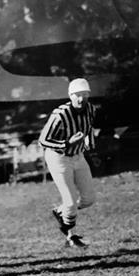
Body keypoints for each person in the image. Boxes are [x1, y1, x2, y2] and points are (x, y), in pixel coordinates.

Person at [38, 78, 96, 248]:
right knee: (70, 202)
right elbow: (43, 140)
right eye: (77, 95)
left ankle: (60, 211)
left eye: (85, 95)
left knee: (89, 199)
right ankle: (70, 237)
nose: (81, 99)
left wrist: (90, 143)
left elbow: (89, 128)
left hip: (78, 156)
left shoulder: (91, 109)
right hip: (59, 157)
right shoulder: (60, 114)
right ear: (70, 96)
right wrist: (66, 143)